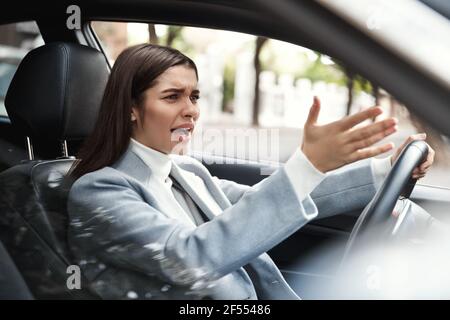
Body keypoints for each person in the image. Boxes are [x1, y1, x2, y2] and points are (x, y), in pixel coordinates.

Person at [67, 44, 434, 300]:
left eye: (194, 96)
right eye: (172, 96)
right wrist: (308, 163)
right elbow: (189, 259)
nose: (192, 110)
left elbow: (264, 203)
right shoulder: (100, 191)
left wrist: (385, 169)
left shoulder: (186, 171)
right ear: (131, 108)